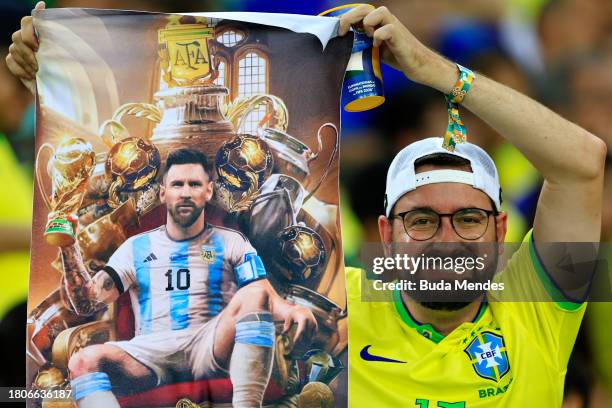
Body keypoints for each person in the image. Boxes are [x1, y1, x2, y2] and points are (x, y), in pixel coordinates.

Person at [334, 5, 604, 407]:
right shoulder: (337, 305)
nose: (448, 240)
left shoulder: (533, 307)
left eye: (469, 218)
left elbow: (582, 162)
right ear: (387, 236)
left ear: (500, 231)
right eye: (422, 220)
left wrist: (433, 70)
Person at [57, 148, 316, 408]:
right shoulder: (135, 247)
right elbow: (87, 303)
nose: (185, 192)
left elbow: (263, 293)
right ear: (163, 192)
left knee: (254, 294)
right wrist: (68, 246)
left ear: (208, 191)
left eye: (194, 184)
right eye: (177, 184)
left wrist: (293, 309)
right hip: (149, 353)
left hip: (210, 343)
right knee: (82, 361)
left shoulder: (231, 241)